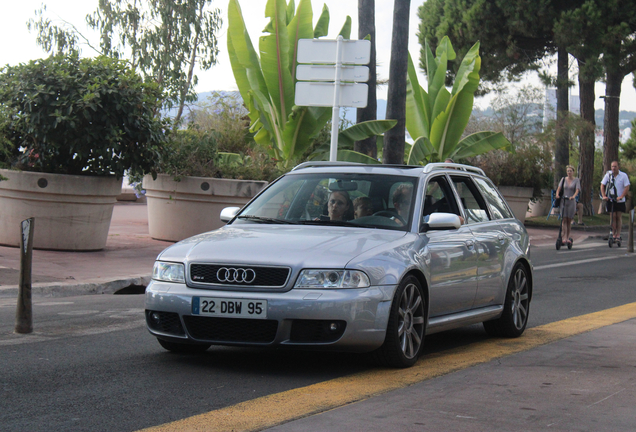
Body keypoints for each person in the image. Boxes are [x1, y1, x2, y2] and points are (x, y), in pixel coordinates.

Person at [601, 160, 630, 242]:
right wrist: (604, 195)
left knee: (618, 216)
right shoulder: (608, 175)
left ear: (618, 167)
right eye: (612, 166)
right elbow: (602, 185)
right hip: (611, 199)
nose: (613, 168)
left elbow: (627, 187)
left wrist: (621, 196)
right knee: (612, 216)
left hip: (619, 200)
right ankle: (613, 233)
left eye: (615, 166)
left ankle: (618, 234)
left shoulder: (623, 175)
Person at [555, 165, 581, 247]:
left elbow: (577, 190)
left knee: (569, 220)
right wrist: (557, 195)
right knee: (563, 219)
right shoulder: (563, 179)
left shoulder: (576, 180)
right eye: (568, 171)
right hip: (564, 201)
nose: (569, 172)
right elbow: (559, 188)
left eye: (570, 171)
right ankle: (563, 237)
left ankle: (567, 237)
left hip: (571, 201)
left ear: (573, 172)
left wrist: (574, 196)